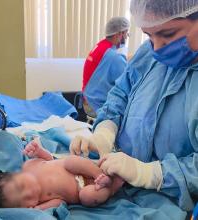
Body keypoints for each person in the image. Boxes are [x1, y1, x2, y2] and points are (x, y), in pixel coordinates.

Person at [70, 0, 198, 219]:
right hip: (122, 185)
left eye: (168, 34)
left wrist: (152, 174)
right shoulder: (148, 55)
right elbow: (120, 93)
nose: (157, 47)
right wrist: (105, 132)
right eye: (149, 35)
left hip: (169, 200)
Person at [0, 138, 123, 210]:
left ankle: (99, 173)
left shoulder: (29, 166)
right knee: (87, 197)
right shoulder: (41, 202)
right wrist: (37, 209)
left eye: (21, 187)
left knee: (70, 162)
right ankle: (111, 187)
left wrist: (38, 150)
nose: (28, 193)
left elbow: (48, 159)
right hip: (85, 188)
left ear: (16, 174)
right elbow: (60, 202)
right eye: (21, 202)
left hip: (83, 169)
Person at [82, 16, 130, 117]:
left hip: (87, 100)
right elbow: (127, 82)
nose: (126, 38)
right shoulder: (114, 57)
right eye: (126, 34)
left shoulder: (101, 46)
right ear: (119, 34)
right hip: (96, 106)